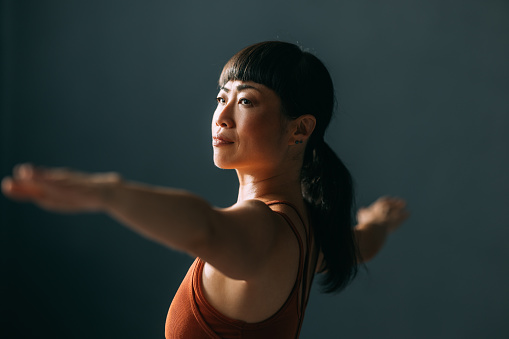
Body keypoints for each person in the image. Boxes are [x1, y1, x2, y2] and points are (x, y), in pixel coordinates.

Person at [1, 41, 409, 338]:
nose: (222, 116)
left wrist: (107, 193)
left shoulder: (263, 228)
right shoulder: (313, 231)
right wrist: (378, 222)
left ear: (300, 129)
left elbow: (205, 228)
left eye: (246, 102)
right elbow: (360, 244)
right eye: (221, 98)